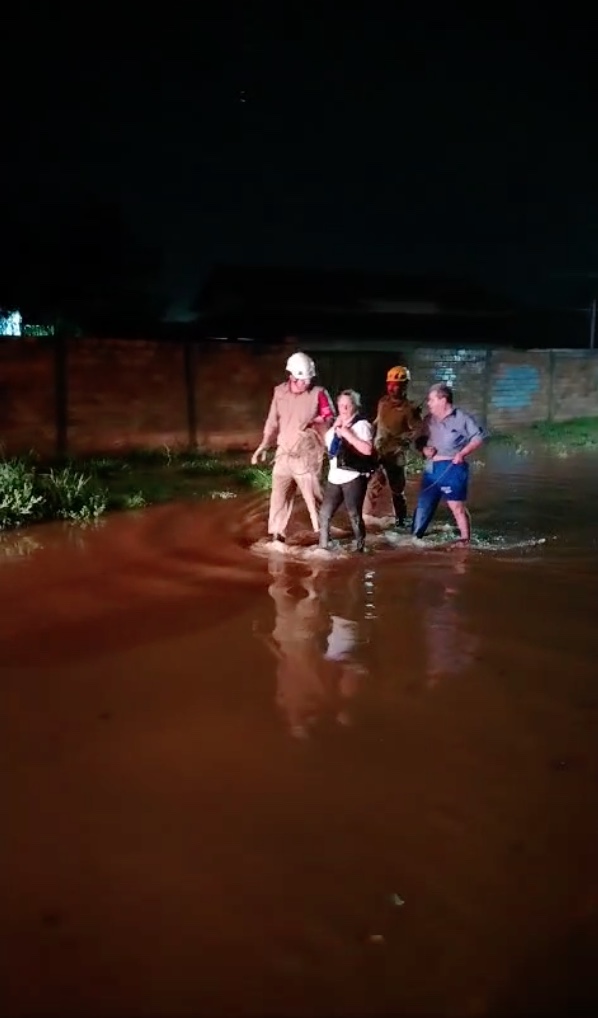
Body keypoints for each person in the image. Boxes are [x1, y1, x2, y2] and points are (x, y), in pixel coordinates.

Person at [251, 351, 334, 543]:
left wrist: (318, 422)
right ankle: (277, 535)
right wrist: (264, 445)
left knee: (314, 496)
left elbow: (330, 418)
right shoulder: (279, 392)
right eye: (303, 379)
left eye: (309, 379)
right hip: (283, 454)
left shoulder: (318, 393)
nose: (307, 383)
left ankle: (324, 533)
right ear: (292, 376)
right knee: (278, 497)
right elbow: (272, 421)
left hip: (306, 455)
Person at [411, 382, 486, 543]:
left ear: (443, 400)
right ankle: (414, 539)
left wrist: (463, 453)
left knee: (456, 507)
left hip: (452, 467)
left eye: (431, 400)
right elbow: (418, 441)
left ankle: (465, 540)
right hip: (431, 468)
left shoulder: (462, 418)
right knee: (423, 505)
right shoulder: (428, 420)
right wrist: (424, 449)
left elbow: (478, 438)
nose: (428, 403)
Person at [319, 389, 375, 553]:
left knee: (354, 515)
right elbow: (330, 449)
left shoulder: (362, 425)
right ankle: (323, 548)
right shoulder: (336, 424)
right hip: (334, 477)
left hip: (353, 476)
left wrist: (348, 434)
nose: (343, 409)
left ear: (355, 407)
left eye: (347, 406)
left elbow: (367, 450)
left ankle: (360, 549)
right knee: (324, 514)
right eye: (340, 405)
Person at [369, 365, 422, 527]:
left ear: (404, 386)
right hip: (379, 450)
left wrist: (406, 440)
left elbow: (418, 429)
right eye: (390, 384)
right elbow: (377, 422)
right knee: (372, 485)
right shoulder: (383, 402)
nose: (392, 388)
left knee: (396, 491)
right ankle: (368, 519)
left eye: (396, 384)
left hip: (396, 454)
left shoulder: (410, 409)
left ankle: (401, 522)